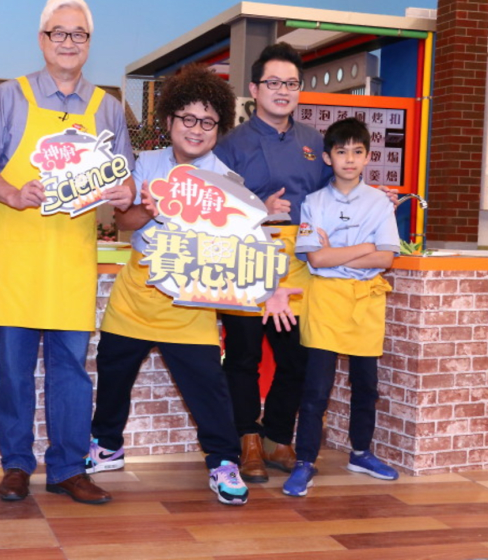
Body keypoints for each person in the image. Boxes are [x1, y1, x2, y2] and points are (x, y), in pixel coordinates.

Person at [85, 64, 298, 506]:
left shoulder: (227, 180)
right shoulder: (146, 163)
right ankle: (107, 445)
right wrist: (149, 205)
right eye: (187, 119)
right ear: (169, 121)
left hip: (190, 297)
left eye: (207, 122)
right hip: (138, 286)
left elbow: (250, 240)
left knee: (207, 383)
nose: (196, 130)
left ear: (218, 127)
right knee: (112, 368)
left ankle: (223, 462)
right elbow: (124, 222)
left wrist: (271, 288)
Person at [0, 0, 134, 505]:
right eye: (59, 33)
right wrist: (13, 194)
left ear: (88, 43)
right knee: (13, 371)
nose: (69, 42)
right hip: (16, 257)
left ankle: (67, 468)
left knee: (72, 375)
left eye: (79, 34)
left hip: (71, 262)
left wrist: (123, 196)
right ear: (42, 40)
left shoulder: (108, 109)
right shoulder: (8, 97)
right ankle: (16, 465)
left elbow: (120, 183)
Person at [213, 42, 330, 482]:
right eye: (274, 83)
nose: (283, 91)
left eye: (291, 83)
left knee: (298, 356)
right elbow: (215, 212)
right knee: (242, 356)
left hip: (297, 263)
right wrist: (259, 208)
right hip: (245, 256)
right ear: (254, 89)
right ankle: (247, 440)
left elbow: (329, 195)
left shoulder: (314, 142)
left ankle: (278, 436)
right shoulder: (230, 146)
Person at [283, 117, 400, 496]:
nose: (349, 159)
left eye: (357, 151)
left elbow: (386, 259)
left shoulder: (380, 202)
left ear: (367, 156)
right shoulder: (312, 203)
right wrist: (365, 247)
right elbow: (315, 260)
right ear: (327, 156)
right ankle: (304, 462)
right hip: (326, 299)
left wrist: (337, 252)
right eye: (341, 151)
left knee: (366, 386)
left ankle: (361, 452)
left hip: (366, 301)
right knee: (316, 390)